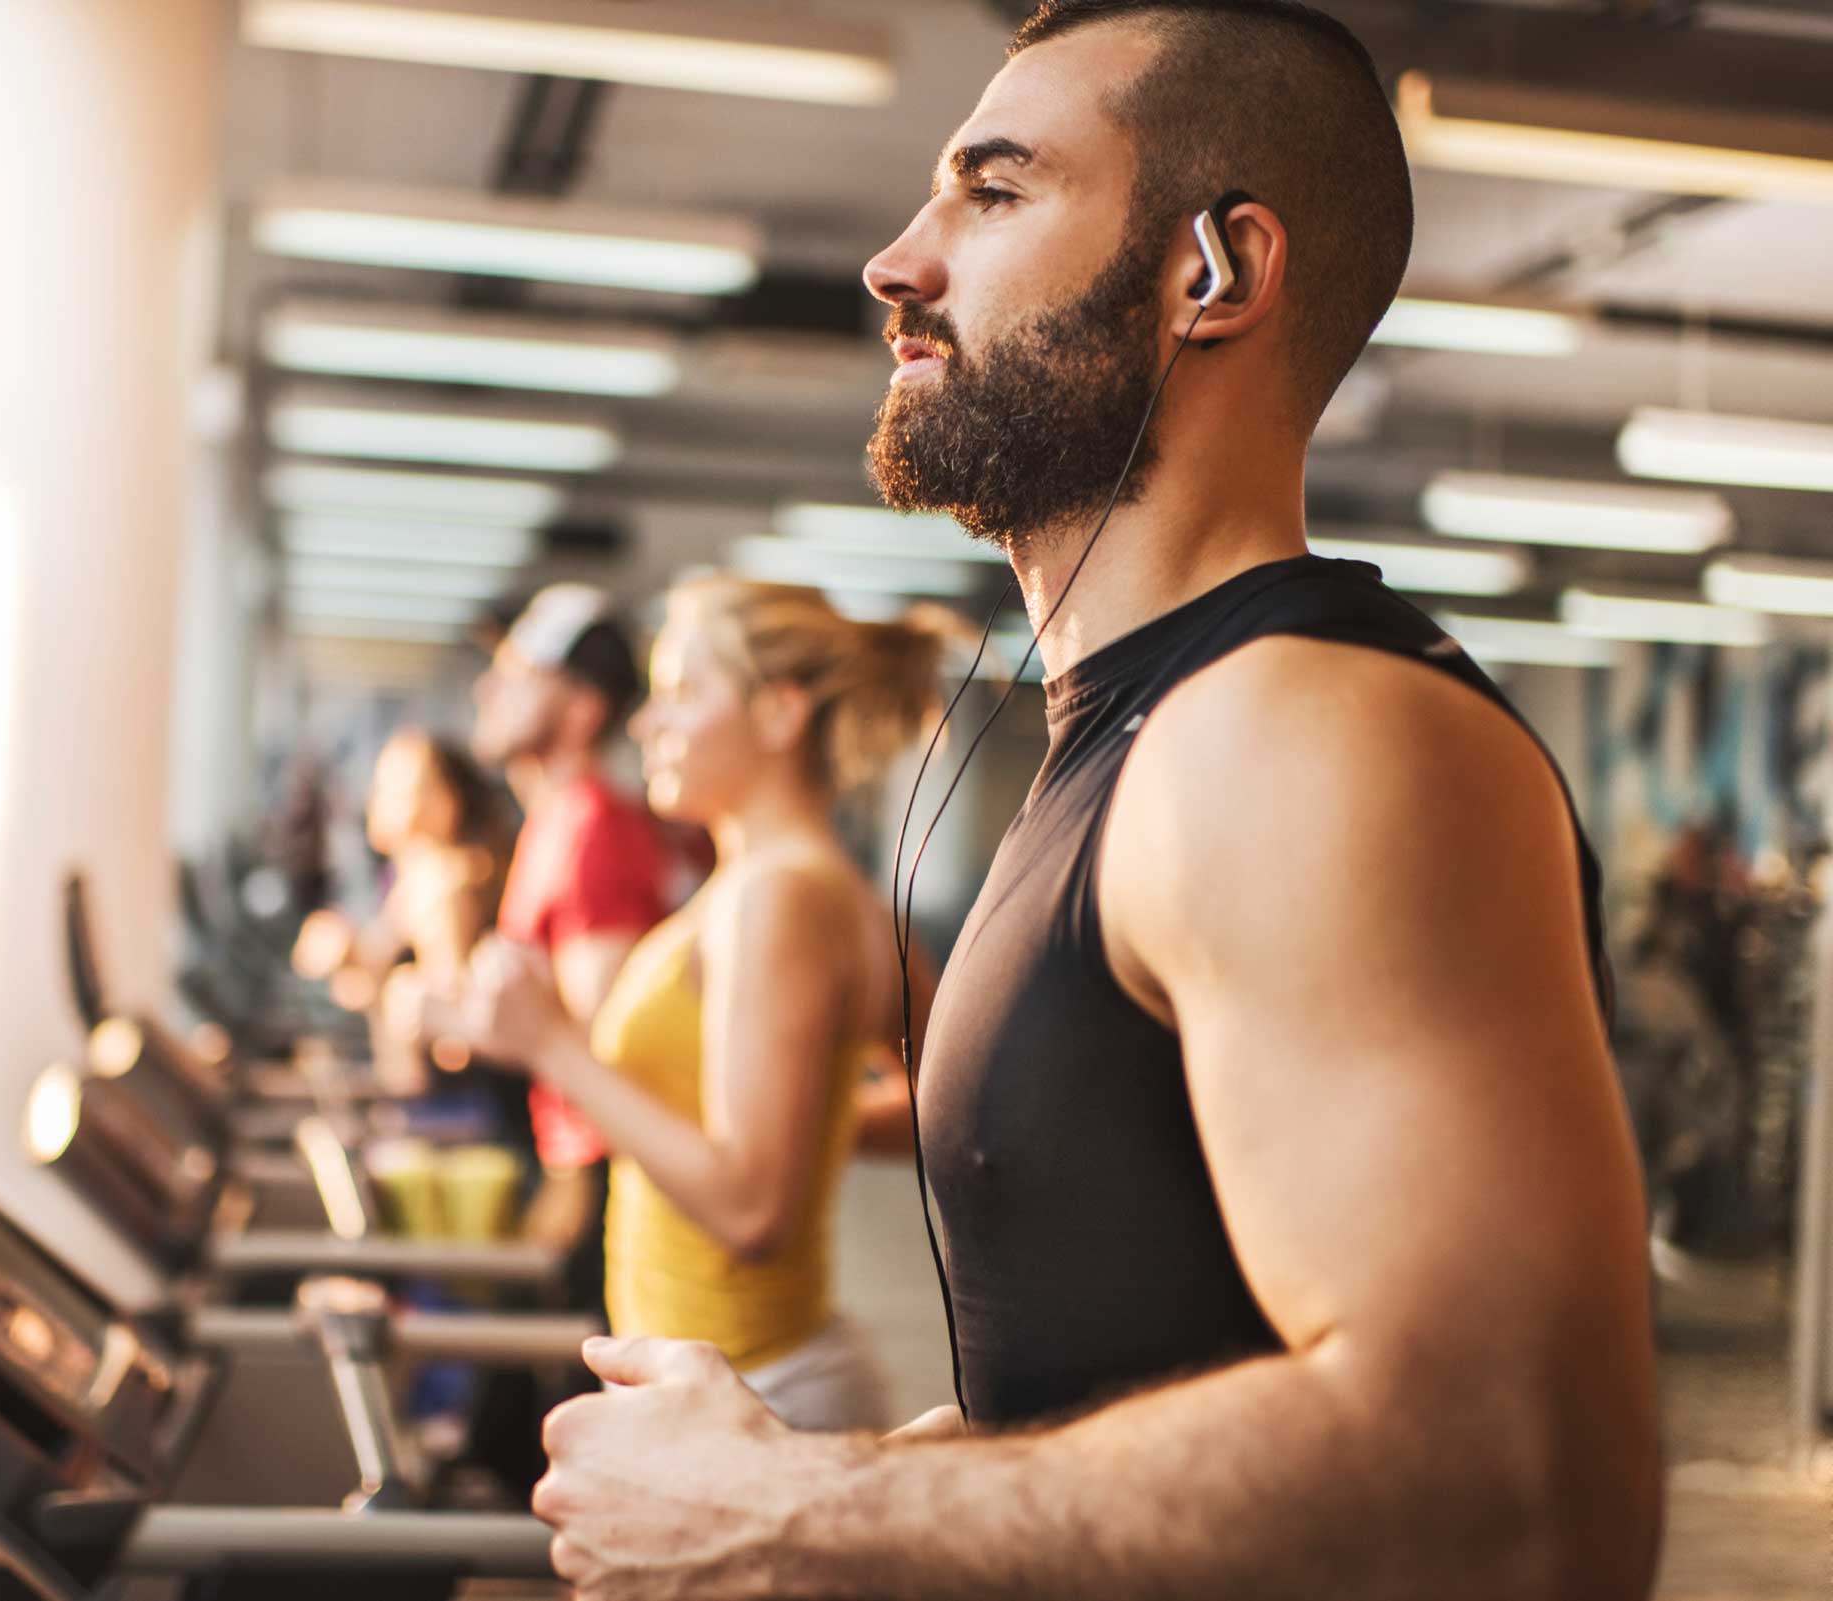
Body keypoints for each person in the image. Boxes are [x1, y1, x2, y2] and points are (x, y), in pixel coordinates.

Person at [522, 5, 1661, 1598]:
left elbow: (1512, 1483)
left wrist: (795, 1516)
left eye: (993, 193)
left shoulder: (1301, 733)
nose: (897, 262)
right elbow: (1137, 1370)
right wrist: (817, 1478)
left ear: (1215, 272)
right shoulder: (1130, 743)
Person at [446, 579, 957, 1431]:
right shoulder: (820, 894)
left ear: (779, 713)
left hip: (751, 1389)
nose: (645, 724)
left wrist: (556, 1048)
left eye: (681, 692)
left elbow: (753, 1211)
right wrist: (808, 1126)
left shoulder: (779, 897)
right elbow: (936, 1106)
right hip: (732, 1375)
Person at [469, 583, 670, 1288]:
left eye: (522, 673)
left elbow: (603, 1052)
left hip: (589, 1192)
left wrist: (567, 1192)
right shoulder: (554, 822)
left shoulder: (591, 833)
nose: (490, 684)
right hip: (559, 1168)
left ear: (584, 711)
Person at [291, 729, 514, 1089]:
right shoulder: (413, 880)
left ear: (449, 801)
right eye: (384, 784)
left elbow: (454, 1038)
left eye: (407, 787)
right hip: (409, 1085)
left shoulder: (446, 887)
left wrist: (388, 989)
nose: (383, 798)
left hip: (443, 1104)